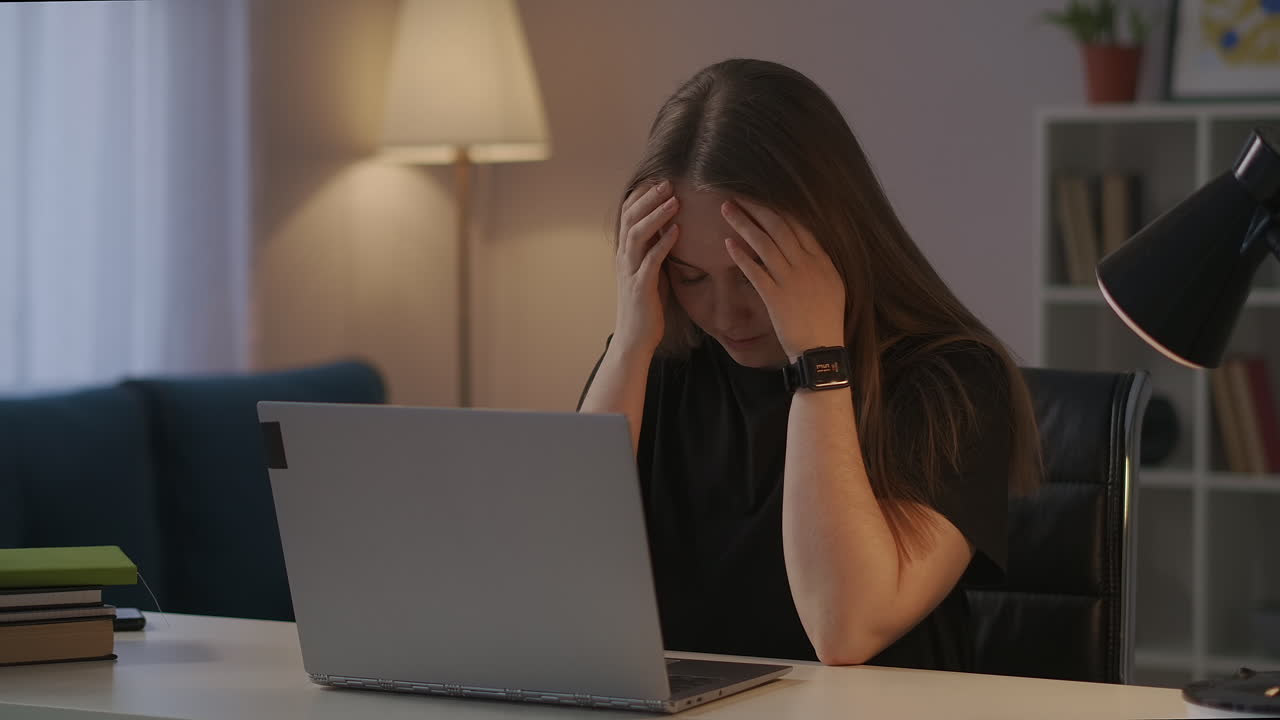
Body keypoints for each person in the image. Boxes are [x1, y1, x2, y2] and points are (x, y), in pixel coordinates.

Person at [576, 58, 1041, 670]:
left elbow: (845, 629)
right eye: (690, 277)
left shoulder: (951, 380)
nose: (725, 313)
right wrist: (631, 343)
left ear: (833, 241)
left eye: (752, 274)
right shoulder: (658, 366)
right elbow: (561, 584)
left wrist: (817, 358)